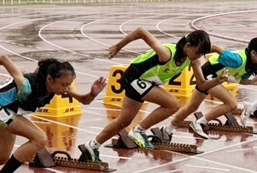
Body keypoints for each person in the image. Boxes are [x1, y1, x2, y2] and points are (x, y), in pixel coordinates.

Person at [84, 29, 223, 157]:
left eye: (202, 54)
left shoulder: (193, 59)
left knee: (124, 121)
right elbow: (141, 32)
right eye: (198, 52)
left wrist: (218, 80)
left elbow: (202, 84)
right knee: (173, 104)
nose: (199, 57)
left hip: (144, 83)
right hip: (134, 77)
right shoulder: (167, 53)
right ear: (188, 46)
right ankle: (139, 131)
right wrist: (118, 47)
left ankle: (92, 146)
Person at [165, 37, 257, 139]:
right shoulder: (237, 60)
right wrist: (195, 54)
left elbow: (239, 79)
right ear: (253, 53)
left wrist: (250, 82)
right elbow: (215, 47)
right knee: (231, 104)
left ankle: (167, 130)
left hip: (214, 78)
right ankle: (199, 123)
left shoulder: (251, 67)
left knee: (192, 107)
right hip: (208, 74)